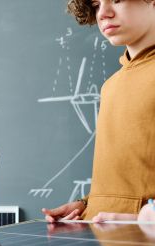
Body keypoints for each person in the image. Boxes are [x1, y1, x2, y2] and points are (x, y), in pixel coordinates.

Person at [42, 0, 155, 223]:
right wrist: (88, 203)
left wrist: (146, 217)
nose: (103, 13)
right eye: (96, 5)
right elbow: (126, 175)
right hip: (106, 243)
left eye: (117, 0)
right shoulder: (110, 87)